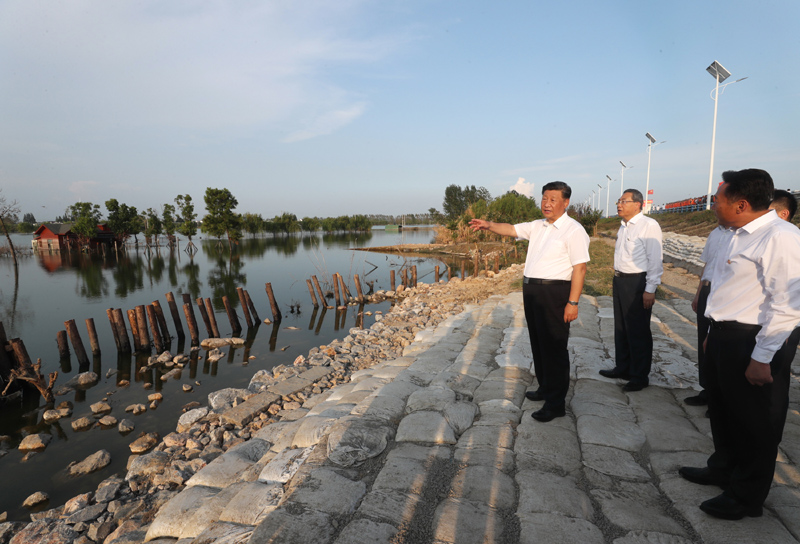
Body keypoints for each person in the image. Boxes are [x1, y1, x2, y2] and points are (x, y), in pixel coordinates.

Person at [679, 169, 800, 520]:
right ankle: (723, 467)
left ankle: (747, 495)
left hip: (755, 339)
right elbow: (723, 285)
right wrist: (711, 336)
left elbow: (788, 305)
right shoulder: (733, 234)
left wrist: (762, 357)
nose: (713, 205)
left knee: (756, 420)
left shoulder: (781, 237)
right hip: (725, 334)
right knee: (723, 408)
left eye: (718, 200)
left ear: (742, 204)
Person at [469, 181, 589, 422]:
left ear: (566, 203)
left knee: (554, 347)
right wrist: (489, 225)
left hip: (555, 292)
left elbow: (580, 268)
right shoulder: (538, 226)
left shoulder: (574, 230)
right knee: (538, 341)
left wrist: (572, 303)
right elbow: (512, 229)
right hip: (533, 291)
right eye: (544, 198)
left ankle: (556, 404)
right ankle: (545, 387)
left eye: (553, 199)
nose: (547, 203)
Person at [599, 189, 663, 391]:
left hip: (637, 283)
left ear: (638, 204)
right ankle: (623, 367)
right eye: (618, 201)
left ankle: (639, 375)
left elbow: (655, 259)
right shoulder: (623, 226)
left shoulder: (648, 226)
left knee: (638, 330)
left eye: (624, 201)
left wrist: (650, 288)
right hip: (620, 280)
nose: (619, 205)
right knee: (621, 327)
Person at [685, 225, 732, 406]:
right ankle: (706, 388)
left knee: (720, 342)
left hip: (724, 292)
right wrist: (699, 294)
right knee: (703, 339)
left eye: (719, 202)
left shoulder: (739, 234)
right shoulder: (715, 233)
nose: (714, 207)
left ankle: (720, 395)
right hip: (707, 290)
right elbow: (707, 265)